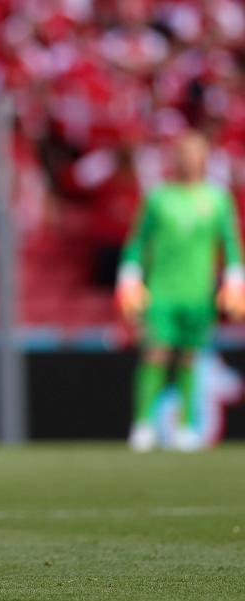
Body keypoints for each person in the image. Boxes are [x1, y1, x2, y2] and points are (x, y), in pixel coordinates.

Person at [116, 130, 245, 452]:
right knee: (156, 352)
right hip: (162, 290)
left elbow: (229, 243)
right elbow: (138, 242)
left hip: (198, 293)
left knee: (191, 358)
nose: (188, 160)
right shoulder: (159, 197)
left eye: (194, 153)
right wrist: (130, 276)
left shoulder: (217, 199)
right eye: (183, 154)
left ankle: (186, 426)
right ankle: (143, 424)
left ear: (203, 158)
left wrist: (235, 277)